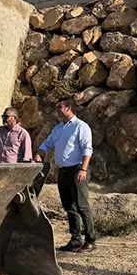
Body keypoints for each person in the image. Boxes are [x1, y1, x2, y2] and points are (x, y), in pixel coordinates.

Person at [35, 98, 95, 252]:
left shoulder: (80, 127)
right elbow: (47, 143)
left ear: (68, 108)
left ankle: (90, 240)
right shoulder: (59, 128)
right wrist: (40, 154)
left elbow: (87, 149)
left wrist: (83, 169)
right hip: (63, 171)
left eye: (59, 107)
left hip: (76, 170)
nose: (57, 109)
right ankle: (75, 239)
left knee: (82, 205)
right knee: (69, 206)